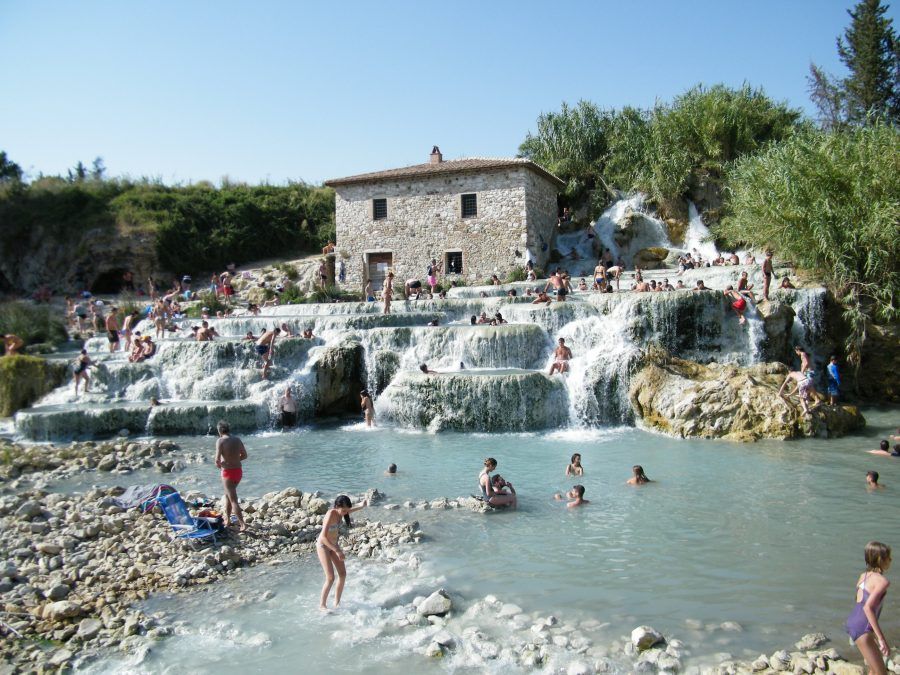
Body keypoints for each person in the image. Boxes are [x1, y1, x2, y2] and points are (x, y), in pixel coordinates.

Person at [845, 541, 891, 674]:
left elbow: (859, 601)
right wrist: (881, 639)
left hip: (854, 623)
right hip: (863, 628)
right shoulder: (882, 581)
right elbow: (867, 608)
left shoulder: (863, 576)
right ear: (880, 559)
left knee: (873, 669)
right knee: (881, 673)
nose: (891, 560)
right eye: (889, 557)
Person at [317, 495, 367, 610]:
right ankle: (322, 605)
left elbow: (350, 509)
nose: (345, 513)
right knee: (330, 578)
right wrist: (337, 550)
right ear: (336, 506)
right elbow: (324, 537)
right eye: (343, 510)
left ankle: (337, 603)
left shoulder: (342, 512)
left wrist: (361, 506)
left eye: (346, 510)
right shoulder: (331, 514)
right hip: (323, 546)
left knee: (343, 574)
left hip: (334, 545)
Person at [214, 420, 247, 532]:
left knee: (233, 499)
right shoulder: (237, 440)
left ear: (219, 430)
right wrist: (235, 460)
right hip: (238, 471)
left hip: (227, 473)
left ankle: (242, 523)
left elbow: (217, 460)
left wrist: (221, 464)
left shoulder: (220, 441)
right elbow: (245, 455)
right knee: (228, 495)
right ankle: (227, 519)